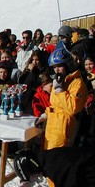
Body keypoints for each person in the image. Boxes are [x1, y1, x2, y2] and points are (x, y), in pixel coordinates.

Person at [35, 42, 88, 187]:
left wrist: (60, 91)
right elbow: (54, 104)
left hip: (63, 131)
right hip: (51, 129)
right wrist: (45, 115)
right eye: (54, 68)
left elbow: (72, 108)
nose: (57, 70)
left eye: (59, 66)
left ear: (68, 65)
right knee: (49, 165)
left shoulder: (77, 83)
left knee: (60, 167)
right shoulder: (59, 81)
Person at [18, 50, 48, 114]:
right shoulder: (28, 69)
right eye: (33, 60)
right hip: (27, 98)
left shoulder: (45, 72)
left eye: (37, 60)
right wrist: (29, 71)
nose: (34, 62)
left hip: (38, 98)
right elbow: (23, 83)